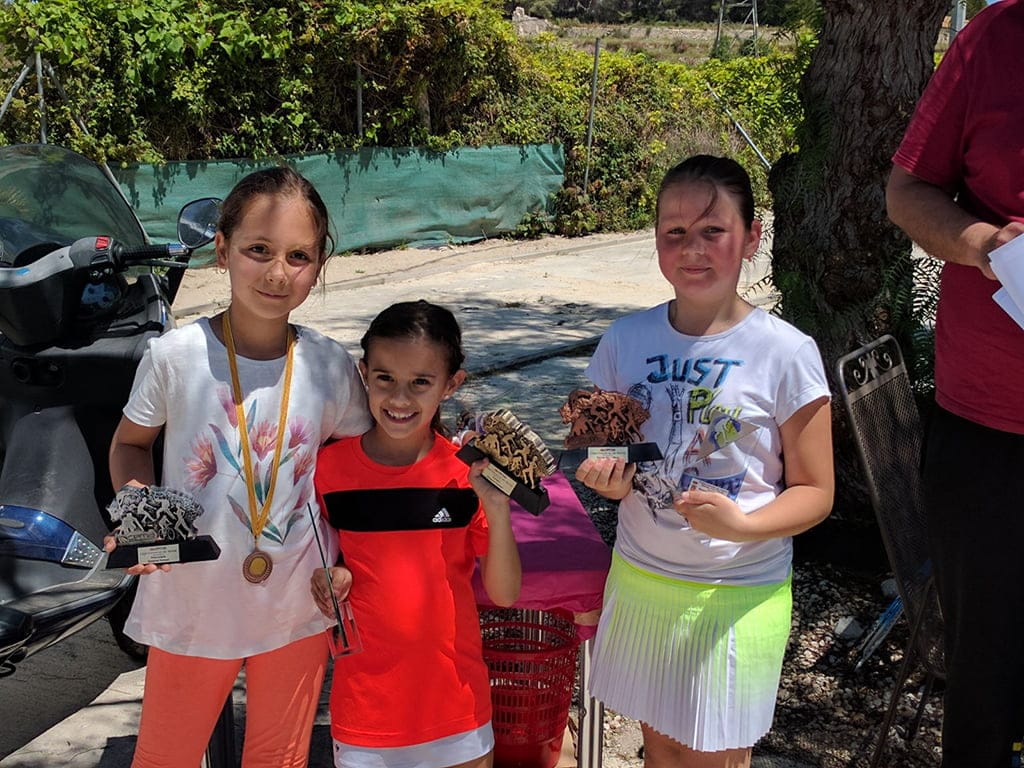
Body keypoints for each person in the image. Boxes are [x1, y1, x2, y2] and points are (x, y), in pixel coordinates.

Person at [105, 166, 372, 768]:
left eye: (298, 255)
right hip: (192, 599)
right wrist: (139, 514)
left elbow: (353, 466)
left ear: (319, 264)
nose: (278, 272)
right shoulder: (174, 357)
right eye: (259, 250)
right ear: (221, 250)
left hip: (299, 601)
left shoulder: (330, 365)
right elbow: (129, 445)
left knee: (280, 759)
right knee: (165, 757)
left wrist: (348, 560)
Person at [574, 155, 834, 768]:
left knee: (713, 756)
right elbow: (599, 458)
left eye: (712, 230)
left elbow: (817, 492)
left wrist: (742, 525)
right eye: (674, 232)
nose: (692, 248)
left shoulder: (786, 353)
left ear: (750, 238)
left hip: (735, 593)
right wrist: (607, 481)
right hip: (642, 579)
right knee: (659, 749)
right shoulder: (624, 340)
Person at [886, 2, 1024, 765]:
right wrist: (982, 243)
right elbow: (907, 191)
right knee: (984, 689)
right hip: (990, 439)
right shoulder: (993, 39)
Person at [310, 299, 522, 768]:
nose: (400, 399)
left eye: (420, 383)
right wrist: (332, 577)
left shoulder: (464, 476)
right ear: (364, 374)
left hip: (457, 708)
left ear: (451, 385)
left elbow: (505, 594)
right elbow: (319, 562)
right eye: (385, 378)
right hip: (366, 711)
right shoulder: (327, 470)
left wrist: (496, 506)